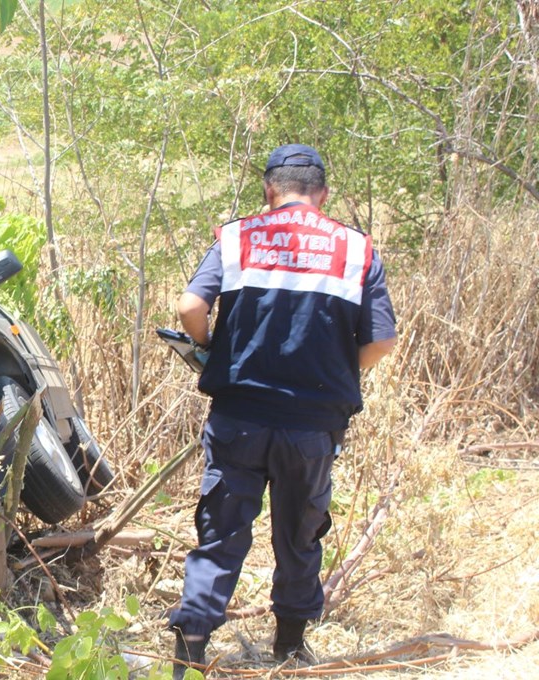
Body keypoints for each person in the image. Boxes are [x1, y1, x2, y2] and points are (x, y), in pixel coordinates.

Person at [167, 144, 397, 678]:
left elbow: (190, 307)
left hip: (239, 416)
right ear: (323, 194)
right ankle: (290, 650)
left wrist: (207, 348)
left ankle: (190, 652)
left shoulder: (236, 236)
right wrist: (340, 372)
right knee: (300, 532)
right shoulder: (356, 249)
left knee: (222, 532)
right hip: (313, 424)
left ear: (269, 191)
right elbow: (382, 341)